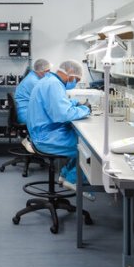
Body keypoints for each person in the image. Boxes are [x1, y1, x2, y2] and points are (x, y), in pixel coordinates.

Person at [26, 60, 92, 192]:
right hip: (46, 138)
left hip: (43, 133)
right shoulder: (54, 85)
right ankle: (73, 179)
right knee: (89, 148)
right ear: (71, 74)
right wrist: (86, 109)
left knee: (81, 139)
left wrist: (75, 103)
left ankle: (65, 175)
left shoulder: (50, 81)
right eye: (77, 80)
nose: (76, 83)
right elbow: (64, 114)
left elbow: (60, 103)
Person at [14, 58, 51, 124]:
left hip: (26, 112)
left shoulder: (32, 76)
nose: (49, 74)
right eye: (48, 71)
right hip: (27, 116)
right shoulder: (34, 82)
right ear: (42, 71)